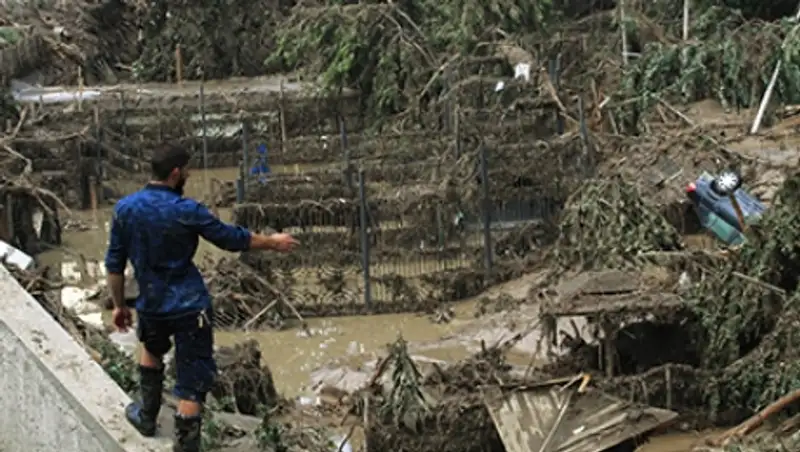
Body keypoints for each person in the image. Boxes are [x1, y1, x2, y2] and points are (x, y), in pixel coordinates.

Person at [104, 144, 298, 451]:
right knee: (191, 383)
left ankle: (146, 416)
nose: (189, 177)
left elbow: (114, 264)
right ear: (175, 173)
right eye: (187, 173)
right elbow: (231, 239)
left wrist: (118, 306)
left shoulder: (125, 209)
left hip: (151, 303)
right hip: (190, 307)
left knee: (151, 349)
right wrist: (272, 242)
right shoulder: (187, 210)